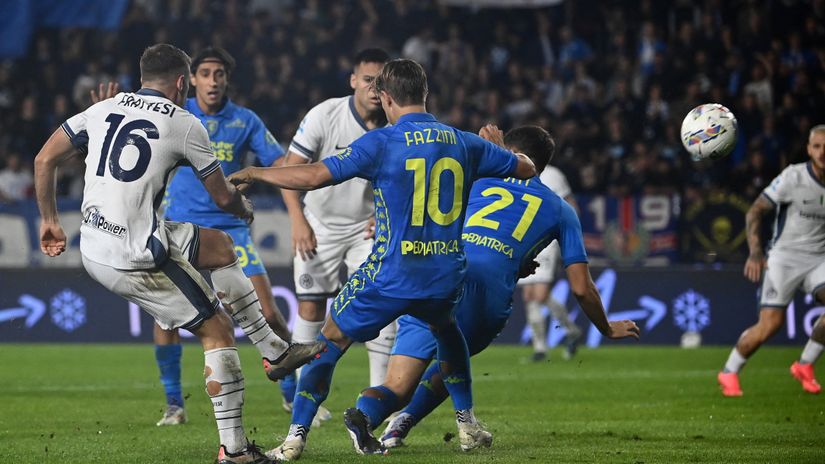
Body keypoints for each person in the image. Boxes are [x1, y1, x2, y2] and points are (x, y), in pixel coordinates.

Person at [228, 59, 537, 460]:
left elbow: (314, 176)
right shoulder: (464, 142)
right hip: (444, 275)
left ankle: (294, 439)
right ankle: (467, 424)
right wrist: (498, 149)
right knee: (447, 330)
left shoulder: (382, 141)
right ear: (425, 94)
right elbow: (526, 168)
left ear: (386, 98)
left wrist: (257, 173)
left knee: (329, 342)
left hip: (393, 274)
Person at [33, 43, 321, 463]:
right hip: (132, 254)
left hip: (96, 243)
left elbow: (44, 159)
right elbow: (223, 198)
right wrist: (244, 208)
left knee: (221, 246)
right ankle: (235, 451)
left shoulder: (103, 109)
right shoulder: (184, 122)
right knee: (218, 331)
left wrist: (49, 220)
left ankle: (274, 351)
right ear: (183, 82)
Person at [339, 125, 638, 448]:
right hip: (487, 298)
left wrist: (385, 221)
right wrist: (606, 328)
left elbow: (426, 204)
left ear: (511, 153)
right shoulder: (560, 209)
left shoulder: (475, 178)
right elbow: (581, 287)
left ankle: (366, 415)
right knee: (452, 363)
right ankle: (412, 425)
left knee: (397, 387)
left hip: (437, 280)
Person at [151, 46, 296, 426]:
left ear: (227, 79)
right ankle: (174, 404)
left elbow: (278, 163)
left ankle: (292, 396)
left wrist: (298, 170)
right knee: (166, 320)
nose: (213, 81)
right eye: (205, 74)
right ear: (191, 80)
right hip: (180, 226)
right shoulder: (175, 113)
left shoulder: (245, 120)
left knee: (268, 313)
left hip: (231, 229)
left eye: (219, 74)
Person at [282, 49, 396, 399]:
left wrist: (383, 215)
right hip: (319, 225)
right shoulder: (325, 114)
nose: (374, 89)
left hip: (366, 229)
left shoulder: (397, 124)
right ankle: (305, 397)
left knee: (380, 305)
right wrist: (298, 220)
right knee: (311, 307)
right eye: (368, 80)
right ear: (353, 81)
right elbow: (290, 170)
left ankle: (379, 395)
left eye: (381, 82)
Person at [718, 125, 825, 397]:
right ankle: (729, 371)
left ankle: (805, 365)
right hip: (784, 259)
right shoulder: (793, 177)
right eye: (817, 146)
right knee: (770, 325)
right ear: (808, 149)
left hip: (818, 260)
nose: (822, 152)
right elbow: (755, 211)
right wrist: (756, 252)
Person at [518, 161, 583, 361]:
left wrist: (569, 235)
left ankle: (569, 332)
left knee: (540, 294)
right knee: (529, 295)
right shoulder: (518, 170)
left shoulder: (553, 174)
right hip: (524, 238)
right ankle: (541, 348)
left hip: (547, 240)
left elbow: (571, 204)